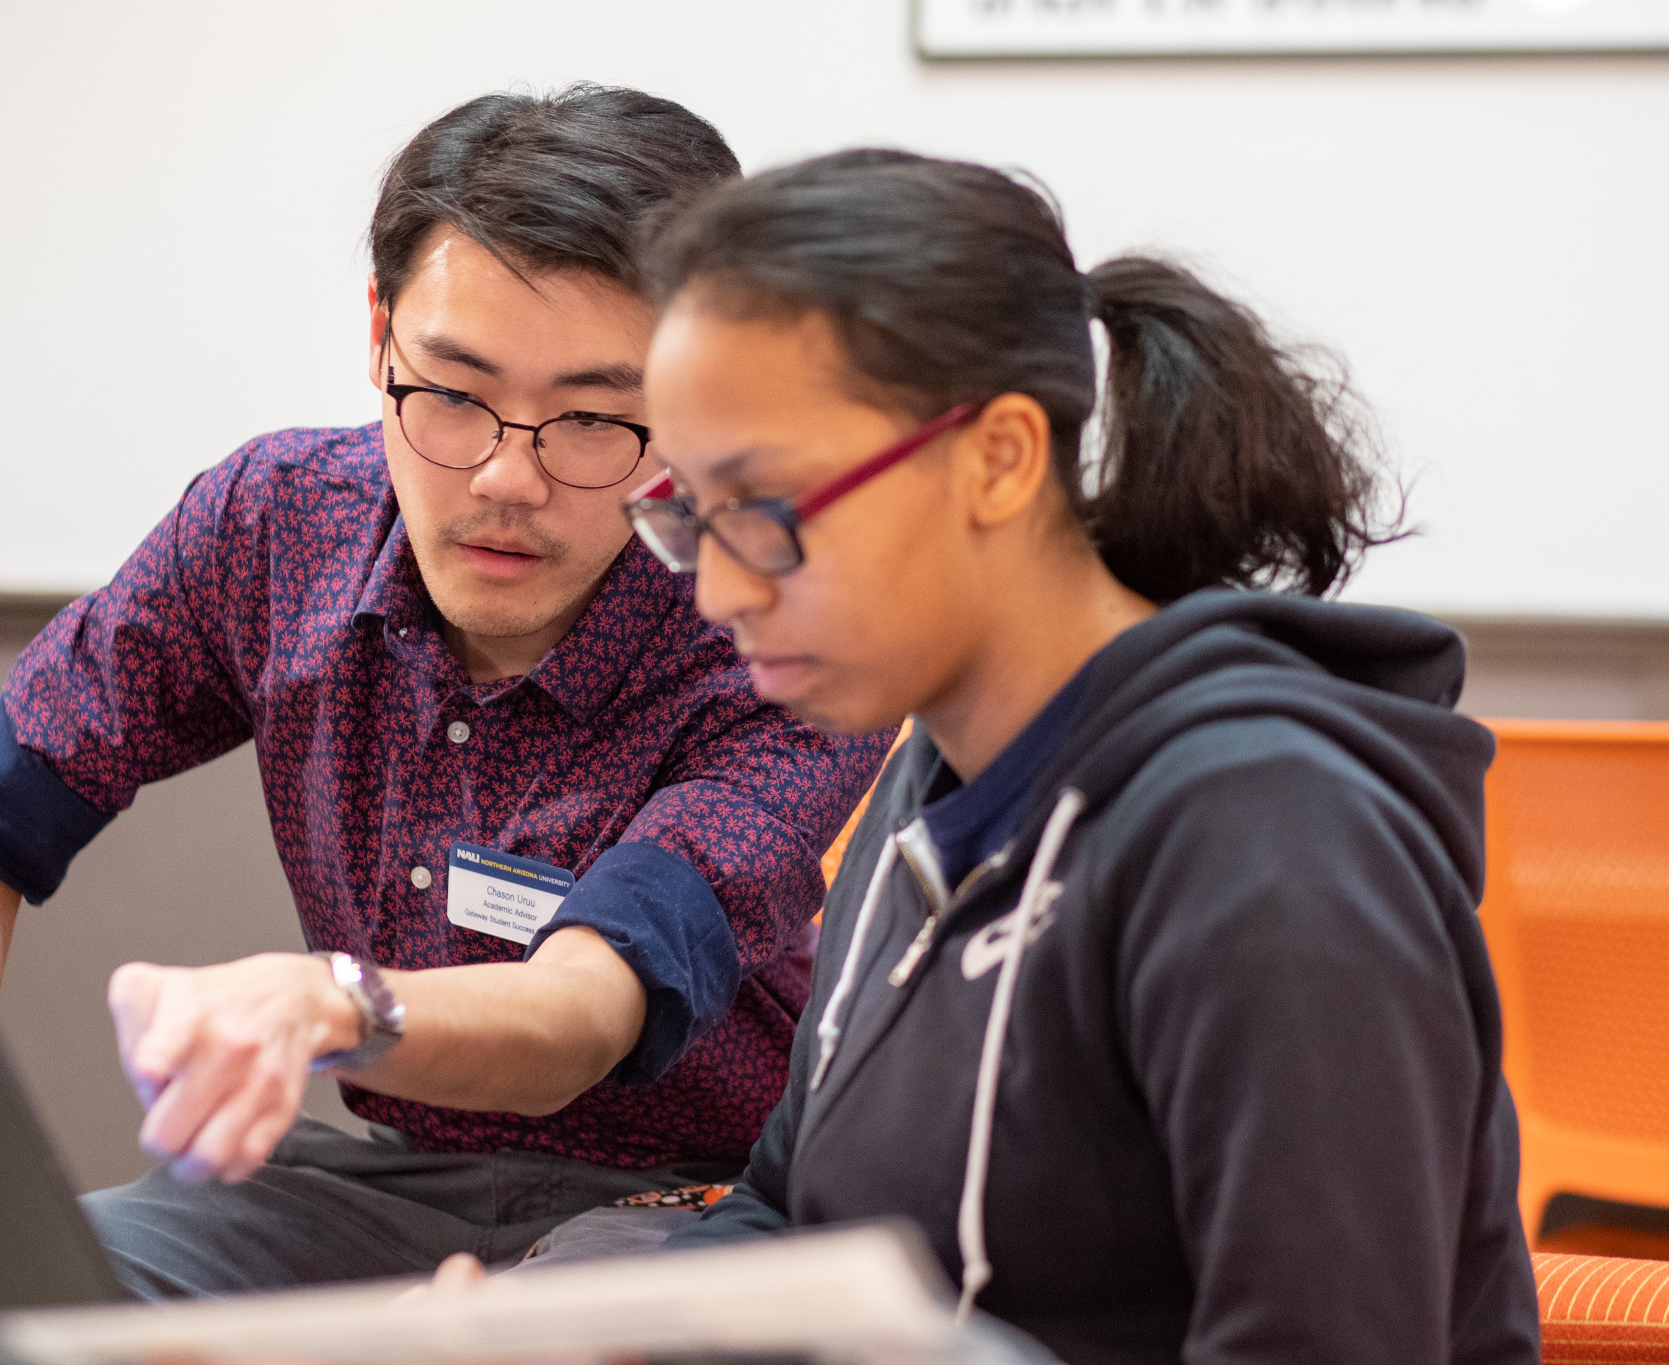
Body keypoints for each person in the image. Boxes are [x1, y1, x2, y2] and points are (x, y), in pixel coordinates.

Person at [0, 89, 892, 1365]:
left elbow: (581, 1017)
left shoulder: (766, 617)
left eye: (595, 417)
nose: (504, 476)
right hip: (390, 1180)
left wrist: (327, 1003)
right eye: (452, 394)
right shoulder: (279, 522)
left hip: (699, 1195)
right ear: (378, 337)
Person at [613, 149, 1542, 1363]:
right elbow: (792, 1206)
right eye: (687, 517)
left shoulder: (1265, 841)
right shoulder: (929, 784)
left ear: (996, 458)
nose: (720, 590)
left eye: (767, 509)